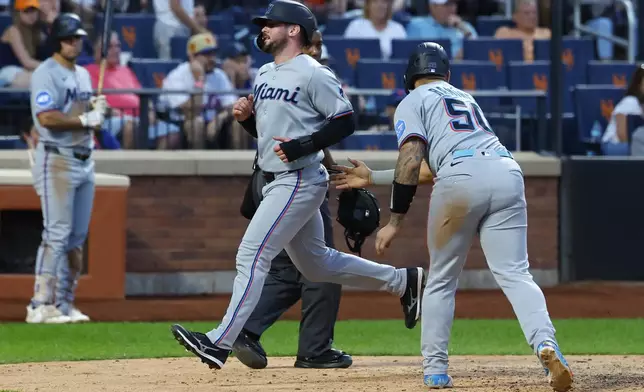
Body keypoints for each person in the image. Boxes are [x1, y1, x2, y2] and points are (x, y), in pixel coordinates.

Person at [169, 0, 424, 371]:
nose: (264, 29)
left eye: (271, 24)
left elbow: (345, 121)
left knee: (251, 255)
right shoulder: (265, 74)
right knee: (318, 266)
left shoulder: (313, 72)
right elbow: (270, 138)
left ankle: (218, 343)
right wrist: (246, 121)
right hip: (275, 179)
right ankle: (402, 281)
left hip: (300, 180)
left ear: (293, 30)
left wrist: (303, 146)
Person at [329, 42, 574, 392]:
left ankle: (435, 370)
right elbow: (430, 166)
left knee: (443, 278)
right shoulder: (463, 97)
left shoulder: (412, 100)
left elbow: (412, 159)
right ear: (446, 73)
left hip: (460, 179)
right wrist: (374, 177)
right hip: (505, 170)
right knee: (517, 274)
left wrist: (395, 220)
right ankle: (546, 345)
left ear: (409, 76)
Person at [232, 29, 352, 370]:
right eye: (312, 44)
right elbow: (296, 139)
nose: (315, 51)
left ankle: (246, 329)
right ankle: (315, 348)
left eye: (319, 47)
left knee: (287, 270)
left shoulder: (285, 74)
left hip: (273, 179)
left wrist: (332, 167)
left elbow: (286, 135)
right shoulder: (296, 73)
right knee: (322, 267)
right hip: (290, 182)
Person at [26, 13, 107, 324]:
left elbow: (83, 113)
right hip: (56, 158)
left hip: (85, 158)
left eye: (78, 39)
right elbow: (45, 117)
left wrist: (96, 111)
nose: (75, 43)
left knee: (76, 237)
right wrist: (84, 119)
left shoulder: (84, 75)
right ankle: (38, 303)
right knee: (57, 233)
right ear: (57, 40)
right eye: (69, 39)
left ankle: (64, 303)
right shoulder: (45, 73)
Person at [0, 0, 43, 89]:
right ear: (18, 13)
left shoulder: (36, 32)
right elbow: (26, 62)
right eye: (26, 11)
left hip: (24, 71)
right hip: (6, 72)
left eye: (33, 10)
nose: (31, 15)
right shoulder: (13, 30)